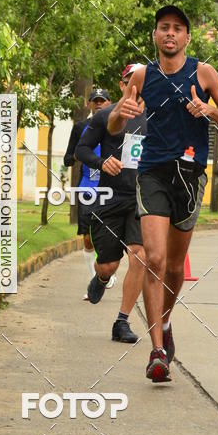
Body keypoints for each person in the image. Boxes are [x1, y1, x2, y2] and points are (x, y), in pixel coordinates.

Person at [108, 4, 218, 383]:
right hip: (152, 174)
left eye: (177, 29)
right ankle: (156, 352)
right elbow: (115, 123)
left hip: (189, 177)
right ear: (155, 36)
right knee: (153, 258)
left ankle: (165, 322)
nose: (170, 34)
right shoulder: (141, 75)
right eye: (163, 28)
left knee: (173, 267)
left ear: (187, 37)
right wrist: (123, 111)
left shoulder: (203, 73)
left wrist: (209, 111)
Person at [74, 65, 146, 344]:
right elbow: (82, 149)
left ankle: (122, 322)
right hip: (110, 197)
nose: (138, 86)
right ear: (122, 85)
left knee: (139, 255)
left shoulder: (153, 116)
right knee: (108, 265)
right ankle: (101, 279)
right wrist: (102, 161)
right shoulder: (105, 115)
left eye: (143, 81)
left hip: (141, 198)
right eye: (132, 81)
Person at [63, 88, 116, 300]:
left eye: (103, 101)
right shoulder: (80, 128)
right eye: (95, 101)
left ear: (111, 103)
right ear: (89, 104)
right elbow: (68, 157)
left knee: (109, 238)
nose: (99, 104)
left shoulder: (118, 125)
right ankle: (96, 280)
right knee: (88, 239)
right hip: (87, 188)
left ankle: (105, 270)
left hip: (112, 189)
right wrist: (80, 155)